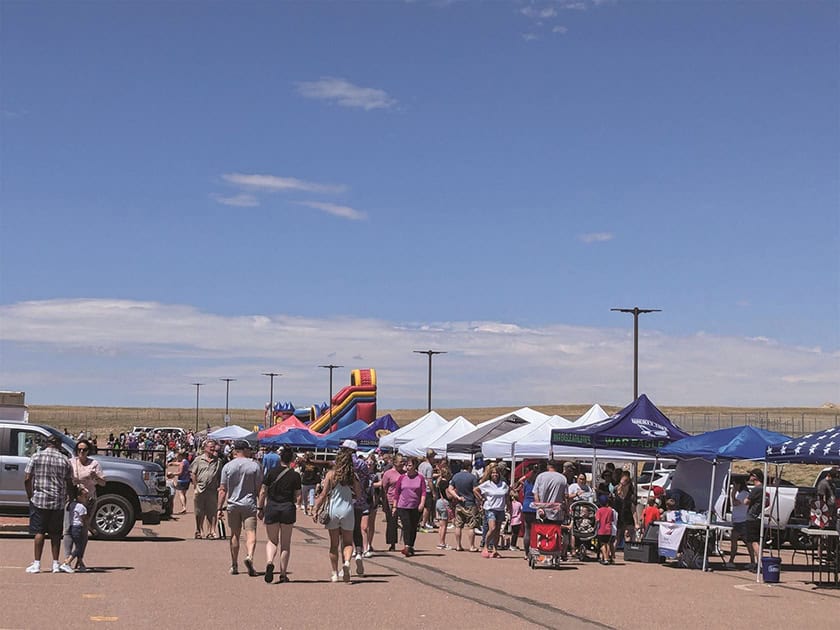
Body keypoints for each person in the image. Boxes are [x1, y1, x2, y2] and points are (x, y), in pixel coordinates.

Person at [24, 434, 74, 574]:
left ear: (47, 443)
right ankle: (55, 564)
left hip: (39, 499)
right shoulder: (64, 460)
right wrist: (70, 497)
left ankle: (37, 564)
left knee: (39, 532)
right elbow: (69, 482)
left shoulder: (36, 456)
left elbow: (27, 478)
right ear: (58, 444)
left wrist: (30, 494)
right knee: (55, 534)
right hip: (57, 501)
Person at [313, 449, 362, 582]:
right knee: (347, 542)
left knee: (333, 544)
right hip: (347, 510)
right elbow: (359, 495)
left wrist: (316, 509)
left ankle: (334, 573)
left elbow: (323, 494)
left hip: (333, 511)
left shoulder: (330, 475)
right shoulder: (353, 476)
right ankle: (346, 563)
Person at [217, 440, 263, 576]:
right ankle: (249, 556)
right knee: (251, 532)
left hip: (233, 504)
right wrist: (261, 507)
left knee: (234, 534)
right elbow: (260, 488)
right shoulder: (255, 466)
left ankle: (234, 564)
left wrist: (219, 508)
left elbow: (222, 489)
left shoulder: (228, 466)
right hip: (249, 504)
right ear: (244, 450)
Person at [258, 447, 301, 584]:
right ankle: (283, 573)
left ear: (280, 458)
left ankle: (270, 561)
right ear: (292, 460)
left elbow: (263, 491)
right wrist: (294, 502)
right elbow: (298, 496)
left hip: (272, 507)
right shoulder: (295, 475)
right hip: (287, 508)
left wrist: (260, 507)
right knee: (285, 543)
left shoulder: (271, 472)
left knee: (272, 540)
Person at [64, 438, 105, 571]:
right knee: (69, 529)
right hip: (72, 500)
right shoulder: (71, 462)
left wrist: (95, 477)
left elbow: (103, 483)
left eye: (84, 450)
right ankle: (67, 559)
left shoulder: (94, 464)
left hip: (89, 500)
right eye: (79, 449)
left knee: (83, 530)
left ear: (88, 451)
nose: (81, 452)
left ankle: (79, 559)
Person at [341, 440, 371, 575]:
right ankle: (359, 552)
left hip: (344, 501)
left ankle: (344, 564)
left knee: (344, 534)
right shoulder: (362, 464)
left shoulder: (342, 464)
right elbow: (367, 482)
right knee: (357, 529)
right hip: (359, 501)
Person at [393, 456, 426, 557]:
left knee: (413, 527)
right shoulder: (402, 477)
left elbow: (424, 492)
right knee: (406, 525)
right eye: (406, 465)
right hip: (403, 505)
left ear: (415, 466)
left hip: (415, 506)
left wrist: (422, 503)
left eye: (410, 465)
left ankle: (411, 545)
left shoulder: (420, 477)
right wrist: (394, 506)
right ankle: (407, 546)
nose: (407, 467)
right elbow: (397, 492)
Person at [474, 464, 510, 558]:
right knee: (492, 528)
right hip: (490, 508)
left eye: (496, 473)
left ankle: (495, 549)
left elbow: (506, 496)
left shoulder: (503, 484)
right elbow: (475, 490)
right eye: (493, 473)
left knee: (498, 530)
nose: (495, 475)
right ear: (490, 474)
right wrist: (481, 499)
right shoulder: (487, 484)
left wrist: (509, 506)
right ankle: (486, 546)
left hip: (500, 509)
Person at [190, 438, 223, 539]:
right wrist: (195, 486)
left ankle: (212, 531)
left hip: (212, 490)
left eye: (214, 448)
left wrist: (220, 486)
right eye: (211, 447)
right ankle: (199, 530)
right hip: (200, 489)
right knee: (199, 511)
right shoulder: (199, 460)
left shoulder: (218, 461)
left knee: (212, 511)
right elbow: (193, 473)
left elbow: (220, 475)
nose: (213, 449)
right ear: (205, 448)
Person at [447, 460, 480, 552]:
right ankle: (472, 546)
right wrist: (480, 500)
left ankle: (458, 545)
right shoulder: (472, 477)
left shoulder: (456, 476)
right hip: (470, 503)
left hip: (459, 504)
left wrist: (457, 497)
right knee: (471, 526)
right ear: (469, 467)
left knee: (458, 525)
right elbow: (475, 490)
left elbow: (450, 489)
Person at [379, 454, 405, 551]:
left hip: (403, 501)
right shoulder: (388, 473)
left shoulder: (405, 473)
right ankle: (392, 543)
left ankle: (406, 543)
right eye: (400, 462)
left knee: (405, 522)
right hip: (391, 500)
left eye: (403, 462)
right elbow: (384, 488)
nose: (402, 464)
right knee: (392, 523)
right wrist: (384, 502)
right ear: (395, 463)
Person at [725, 478, 753, 569]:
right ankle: (751, 561)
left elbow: (735, 503)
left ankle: (732, 561)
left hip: (741, 522)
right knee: (745, 542)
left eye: (735, 485)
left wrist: (733, 494)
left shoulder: (743, 494)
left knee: (737, 541)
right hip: (739, 521)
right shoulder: (743, 494)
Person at [62, 484, 89, 573]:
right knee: (79, 547)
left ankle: (80, 563)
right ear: (79, 497)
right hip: (77, 528)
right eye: (85, 497)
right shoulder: (82, 508)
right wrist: (91, 529)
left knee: (78, 545)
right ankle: (67, 562)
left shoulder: (71, 505)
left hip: (71, 526)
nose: (87, 499)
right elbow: (84, 520)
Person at [743, 468, 765, 572]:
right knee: (754, 541)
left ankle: (760, 564)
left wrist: (747, 497)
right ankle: (757, 563)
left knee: (754, 542)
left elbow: (746, 501)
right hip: (757, 517)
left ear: (755, 477)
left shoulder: (757, 489)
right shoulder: (762, 488)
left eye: (751, 475)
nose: (750, 477)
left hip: (752, 517)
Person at [612, 470, 637, 549]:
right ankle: (611, 555)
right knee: (616, 536)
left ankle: (627, 553)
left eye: (626, 482)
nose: (623, 484)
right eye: (622, 481)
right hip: (618, 516)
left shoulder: (631, 496)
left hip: (628, 517)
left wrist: (636, 522)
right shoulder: (615, 492)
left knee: (628, 534)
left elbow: (633, 510)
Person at [594, 494, 616, 565]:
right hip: (608, 529)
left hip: (601, 529)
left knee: (602, 544)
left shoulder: (599, 510)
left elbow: (597, 520)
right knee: (607, 544)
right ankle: (606, 558)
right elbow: (612, 520)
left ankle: (606, 558)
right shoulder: (610, 511)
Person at [418, 449, 437, 531]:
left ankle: (419, 522)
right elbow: (429, 480)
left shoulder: (421, 465)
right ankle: (423, 524)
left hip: (420, 487)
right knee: (427, 507)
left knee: (421, 506)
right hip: (427, 489)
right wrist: (433, 492)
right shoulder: (429, 467)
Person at [435, 462, 452, 550]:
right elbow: (448, 495)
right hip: (444, 502)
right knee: (444, 525)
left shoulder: (439, 482)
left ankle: (440, 541)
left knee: (441, 524)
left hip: (438, 502)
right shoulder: (445, 483)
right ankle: (442, 542)